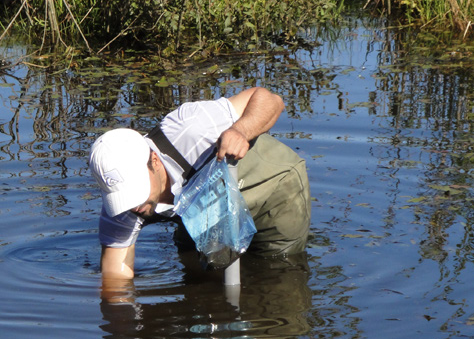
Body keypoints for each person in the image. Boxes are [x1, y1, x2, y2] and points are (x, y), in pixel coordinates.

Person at [88, 87, 310, 279]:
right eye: (125, 197)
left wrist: (239, 130)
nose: (133, 206)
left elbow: (270, 99)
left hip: (272, 189)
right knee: (199, 271)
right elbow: (116, 278)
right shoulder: (122, 206)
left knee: (277, 271)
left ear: (154, 161)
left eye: (137, 190)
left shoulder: (192, 128)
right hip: (206, 204)